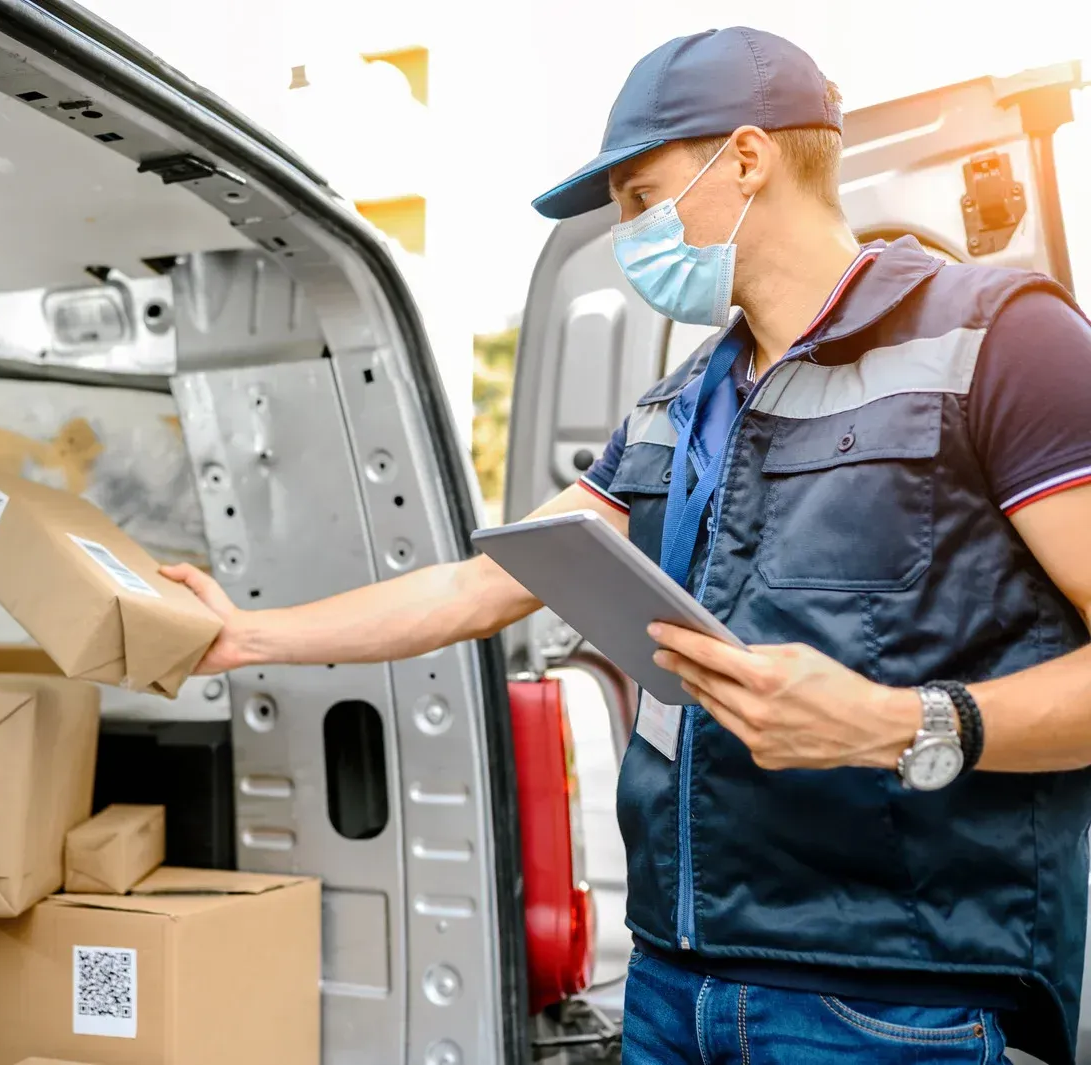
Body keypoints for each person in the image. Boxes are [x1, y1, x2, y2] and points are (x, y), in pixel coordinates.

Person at [162, 25, 1091, 1065]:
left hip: (888, 1002)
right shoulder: (677, 405)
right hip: (670, 984)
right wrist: (244, 636)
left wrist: (895, 723)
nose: (630, 234)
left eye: (643, 197)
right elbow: (485, 584)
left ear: (746, 157)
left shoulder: (1002, 340)